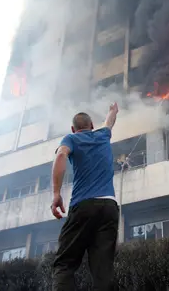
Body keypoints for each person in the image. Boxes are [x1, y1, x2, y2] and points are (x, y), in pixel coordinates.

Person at [50, 103, 120, 291]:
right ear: (92, 126)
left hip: (83, 206)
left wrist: (56, 194)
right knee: (102, 270)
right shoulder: (103, 134)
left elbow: (60, 156)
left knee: (64, 264)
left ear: (73, 129)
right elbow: (110, 121)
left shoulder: (71, 139)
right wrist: (113, 110)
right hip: (109, 207)